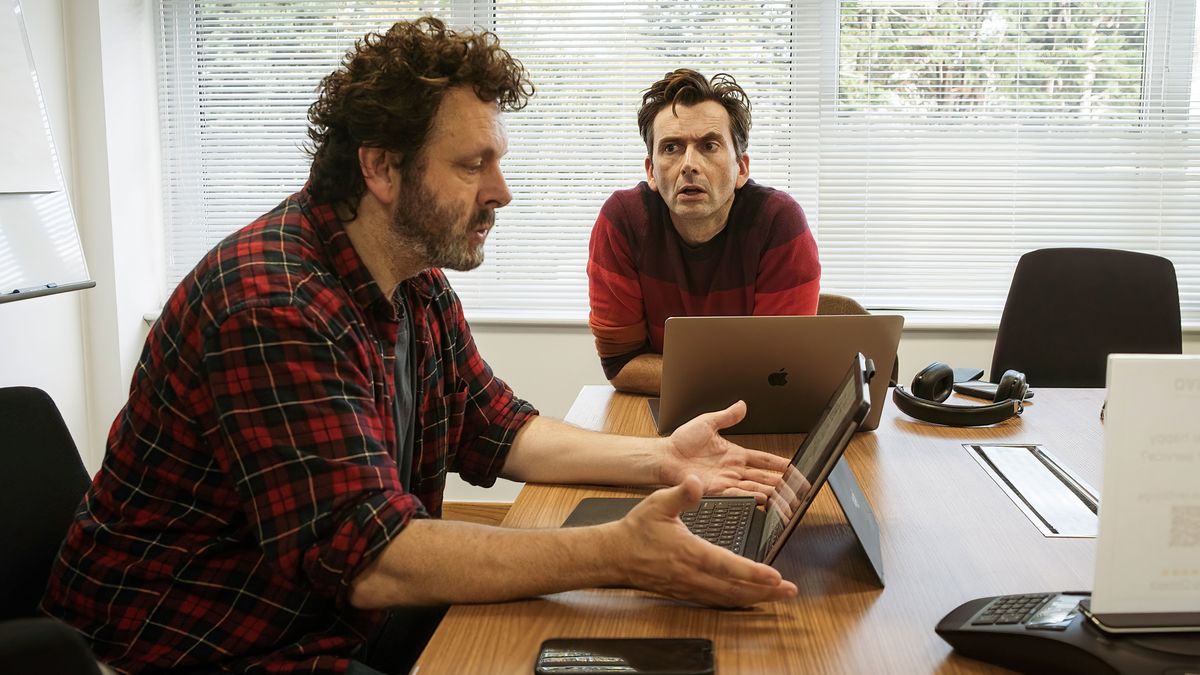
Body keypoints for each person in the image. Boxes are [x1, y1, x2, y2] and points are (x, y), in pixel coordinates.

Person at [39, 18, 798, 675]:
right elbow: (373, 559)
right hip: (196, 646)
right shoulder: (273, 306)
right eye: (474, 165)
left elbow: (497, 425)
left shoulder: (413, 280)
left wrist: (661, 458)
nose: (501, 192)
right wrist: (617, 554)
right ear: (380, 167)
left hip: (322, 613)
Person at [587, 69, 822, 395]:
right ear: (651, 172)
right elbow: (622, 365)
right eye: (671, 148)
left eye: (709, 145)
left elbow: (777, 371)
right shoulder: (623, 221)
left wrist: (682, 375)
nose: (689, 164)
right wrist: (738, 375)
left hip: (754, 414)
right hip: (661, 413)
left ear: (741, 168)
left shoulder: (779, 222)